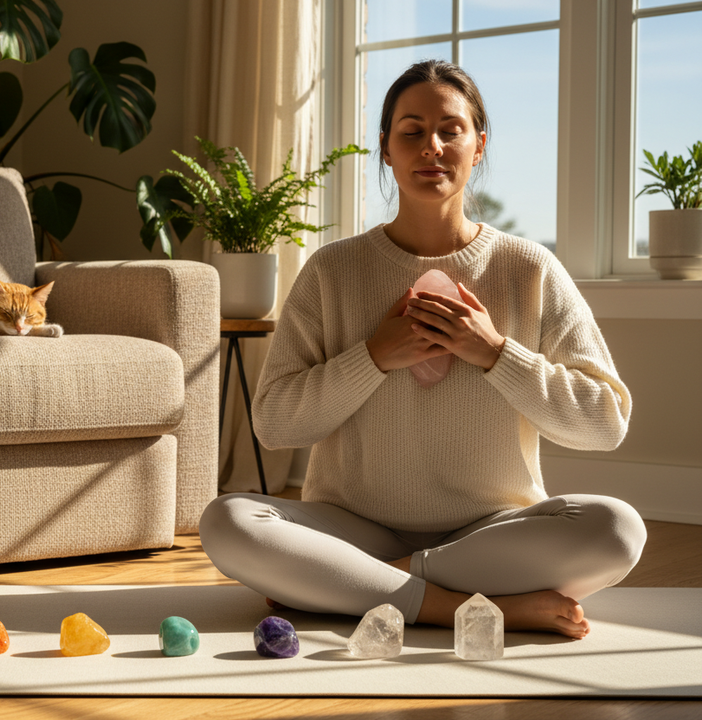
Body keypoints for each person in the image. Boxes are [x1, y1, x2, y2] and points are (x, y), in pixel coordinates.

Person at [198, 60, 646, 639]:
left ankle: (362, 586)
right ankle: (467, 606)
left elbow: (604, 423)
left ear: (478, 145)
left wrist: (494, 352)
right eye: (411, 131)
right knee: (227, 519)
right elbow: (276, 424)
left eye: (450, 130)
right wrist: (374, 357)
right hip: (350, 527)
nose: (431, 146)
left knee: (617, 529)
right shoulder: (331, 271)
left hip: (493, 533)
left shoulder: (530, 269)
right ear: (385, 148)